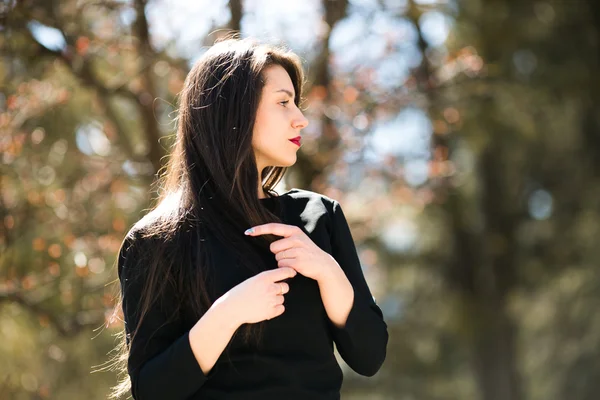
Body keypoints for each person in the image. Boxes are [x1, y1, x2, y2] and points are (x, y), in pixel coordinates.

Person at [110, 37, 388, 400]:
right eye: (283, 102)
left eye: (296, 103)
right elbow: (152, 389)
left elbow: (370, 356)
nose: (300, 118)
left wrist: (327, 271)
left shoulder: (320, 217)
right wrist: (227, 313)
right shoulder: (156, 240)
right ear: (234, 111)